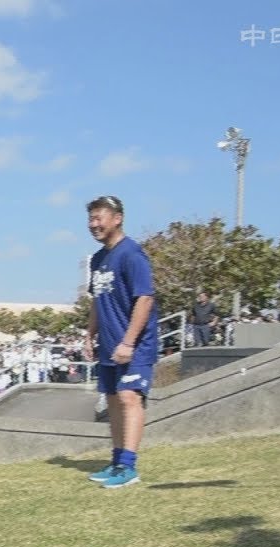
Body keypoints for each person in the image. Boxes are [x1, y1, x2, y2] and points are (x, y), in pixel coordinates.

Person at [82, 195, 158, 489]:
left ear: (118, 218)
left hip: (135, 344)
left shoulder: (132, 254)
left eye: (99, 218)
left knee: (129, 398)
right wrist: (89, 334)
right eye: (90, 219)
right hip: (109, 344)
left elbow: (145, 298)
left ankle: (129, 467)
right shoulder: (99, 259)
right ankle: (116, 462)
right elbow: (97, 301)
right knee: (112, 400)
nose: (93, 224)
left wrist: (128, 342)